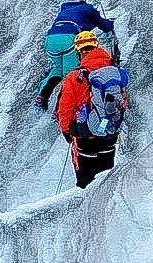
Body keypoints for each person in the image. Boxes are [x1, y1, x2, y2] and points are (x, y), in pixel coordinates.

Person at [55, 29, 130, 189]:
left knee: (86, 183)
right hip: (110, 133)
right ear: (96, 46)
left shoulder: (75, 77)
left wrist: (67, 131)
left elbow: (65, 109)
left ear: (78, 51)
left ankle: (88, 209)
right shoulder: (114, 72)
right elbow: (123, 101)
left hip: (85, 136)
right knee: (107, 178)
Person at [39, 0, 117, 108]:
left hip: (50, 39)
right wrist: (110, 25)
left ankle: (42, 95)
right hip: (67, 38)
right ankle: (59, 106)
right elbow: (100, 22)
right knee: (70, 74)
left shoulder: (65, 10)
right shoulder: (87, 8)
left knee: (58, 69)